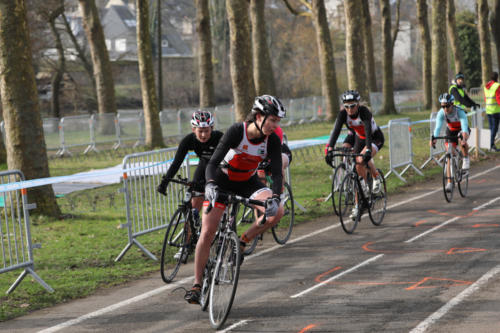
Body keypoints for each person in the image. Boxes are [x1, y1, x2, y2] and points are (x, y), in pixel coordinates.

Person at [184, 95, 286, 304]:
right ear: (259, 116)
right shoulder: (237, 131)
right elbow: (212, 164)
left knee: (277, 211)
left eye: (278, 121)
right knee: (207, 232)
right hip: (222, 180)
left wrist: (275, 197)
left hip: (248, 182)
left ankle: (242, 241)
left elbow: (276, 174)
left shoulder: (272, 139)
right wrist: (210, 185)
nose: (276, 125)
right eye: (273, 120)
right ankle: (196, 284)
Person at [156, 110, 223, 259]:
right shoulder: (188, 140)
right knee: (192, 208)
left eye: (207, 131)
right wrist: (165, 182)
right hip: (204, 165)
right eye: (200, 131)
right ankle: (186, 245)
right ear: (194, 129)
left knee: (219, 205)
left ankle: (222, 236)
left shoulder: (220, 138)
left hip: (220, 168)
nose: (204, 135)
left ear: (212, 128)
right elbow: (176, 163)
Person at [325, 90, 385, 221]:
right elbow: (336, 131)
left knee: (360, 159)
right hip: (359, 138)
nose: (349, 109)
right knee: (355, 171)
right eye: (346, 106)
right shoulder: (343, 114)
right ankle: (358, 203)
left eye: (352, 106)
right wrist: (329, 149)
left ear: (357, 104)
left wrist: (368, 149)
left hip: (374, 138)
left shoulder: (364, 112)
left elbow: (368, 131)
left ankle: (376, 177)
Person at [430, 93, 470, 192]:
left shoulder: (459, 111)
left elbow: (464, 125)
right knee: (449, 155)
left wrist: (464, 137)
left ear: (452, 104)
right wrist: (434, 138)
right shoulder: (441, 113)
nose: (445, 108)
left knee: (462, 140)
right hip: (451, 130)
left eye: (447, 106)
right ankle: (449, 182)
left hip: (462, 129)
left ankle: (465, 160)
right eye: (443, 106)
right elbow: (438, 127)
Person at [483, 72, 500, 152]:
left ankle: (489, 145)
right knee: (494, 129)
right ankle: (491, 145)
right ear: (497, 77)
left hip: (488, 110)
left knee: (491, 128)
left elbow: (485, 98)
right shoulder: (497, 86)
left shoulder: (486, 86)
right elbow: (498, 98)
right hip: (496, 110)